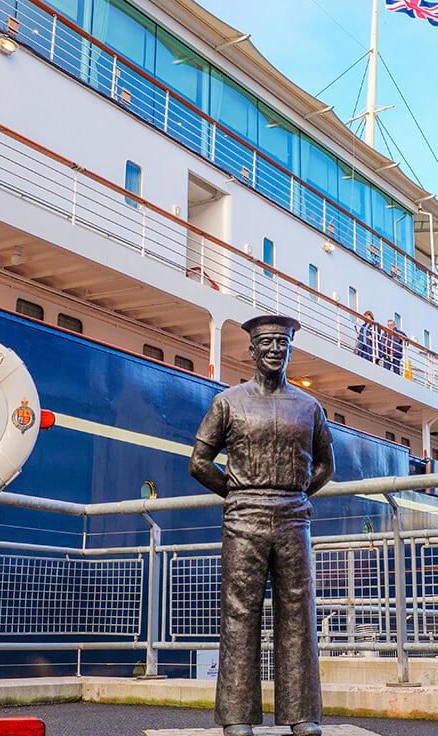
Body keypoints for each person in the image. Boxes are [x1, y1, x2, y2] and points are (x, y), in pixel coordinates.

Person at [189, 314, 334, 736]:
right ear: (251, 350)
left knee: (299, 616)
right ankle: (236, 716)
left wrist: (300, 492)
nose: (274, 350)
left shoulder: (309, 407)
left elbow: (326, 464)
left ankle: (302, 715)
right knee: (239, 613)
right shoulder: (227, 402)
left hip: (294, 517)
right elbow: (199, 463)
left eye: (281, 343)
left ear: (290, 349)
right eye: (266, 343)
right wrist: (236, 493)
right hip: (244, 518)